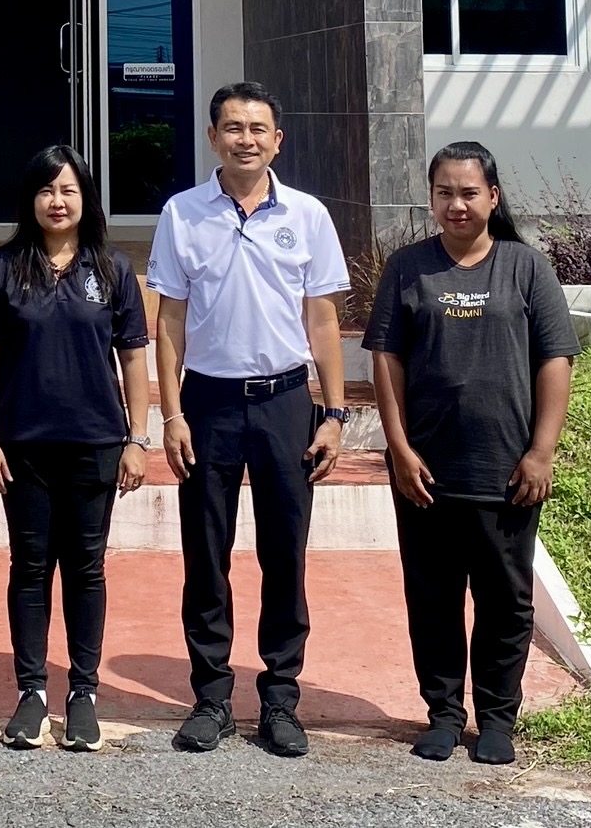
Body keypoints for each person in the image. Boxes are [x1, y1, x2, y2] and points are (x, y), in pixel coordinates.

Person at [148, 82, 351, 759]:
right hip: (207, 403)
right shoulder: (182, 214)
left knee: (284, 553)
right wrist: (171, 412)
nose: (245, 139)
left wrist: (333, 413)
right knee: (206, 553)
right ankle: (211, 697)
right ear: (212, 137)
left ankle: (281, 698)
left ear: (277, 140)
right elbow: (169, 321)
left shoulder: (308, 215)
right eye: (232, 127)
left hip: (285, 401)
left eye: (258, 128)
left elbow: (322, 321)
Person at [366, 141, 578, 767]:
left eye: (468, 192)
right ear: (431, 198)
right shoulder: (408, 268)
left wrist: (541, 451)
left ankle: (496, 719)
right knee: (432, 598)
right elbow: (387, 360)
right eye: (444, 193)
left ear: (493, 196)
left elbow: (555, 360)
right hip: (426, 473)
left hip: (506, 472)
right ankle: (442, 715)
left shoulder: (526, 267)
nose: (456, 204)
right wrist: (399, 448)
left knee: (504, 602)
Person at [0, 145, 152, 755]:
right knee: (28, 568)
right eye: (47, 190)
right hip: (22, 446)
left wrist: (137, 438)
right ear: (30, 199)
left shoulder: (113, 268)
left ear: (85, 199)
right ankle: (30, 692)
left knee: (85, 568)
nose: (57, 201)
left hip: (96, 444)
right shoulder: (4, 267)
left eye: (68, 190)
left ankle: (83, 693)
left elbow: (133, 359)